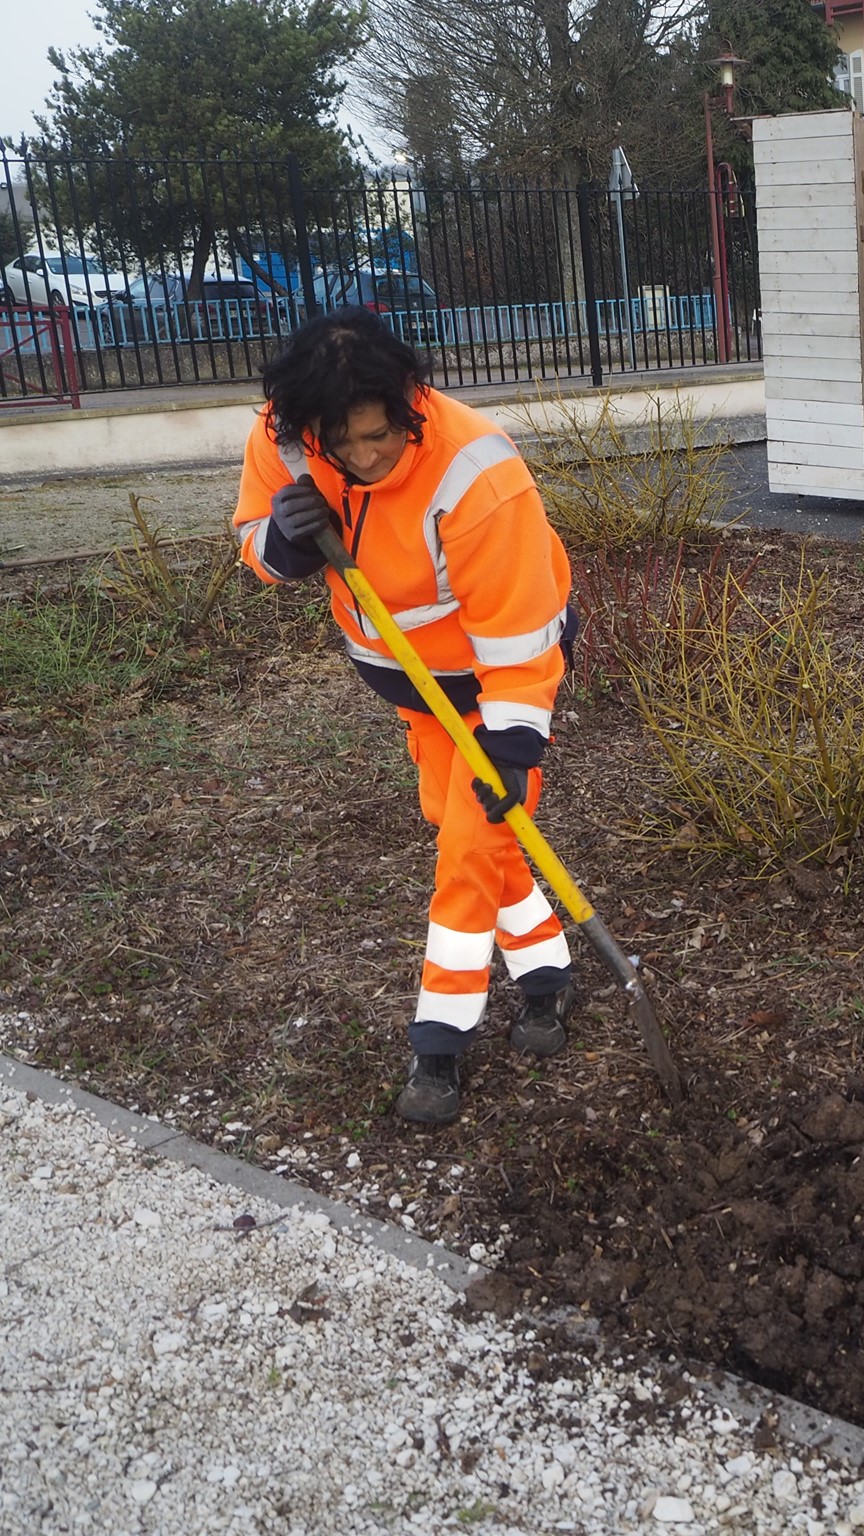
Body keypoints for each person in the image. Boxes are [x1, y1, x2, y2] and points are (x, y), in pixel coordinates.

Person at [232, 309, 578, 1123]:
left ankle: (440, 1044)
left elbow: (521, 633)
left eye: (378, 436)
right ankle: (547, 976)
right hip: (408, 687)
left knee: (469, 845)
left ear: (410, 403)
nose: (361, 457)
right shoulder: (284, 440)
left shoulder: (476, 472)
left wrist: (514, 745)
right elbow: (251, 538)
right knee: (468, 831)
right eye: (340, 442)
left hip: (491, 687)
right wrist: (283, 542)